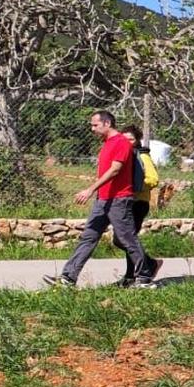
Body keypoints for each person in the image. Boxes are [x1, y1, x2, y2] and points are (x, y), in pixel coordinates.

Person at [48, 111, 154, 289]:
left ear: (107, 123)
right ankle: (68, 278)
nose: (92, 129)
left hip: (119, 200)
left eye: (95, 125)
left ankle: (144, 277)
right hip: (103, 199)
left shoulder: (120, 142)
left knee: (127, 238)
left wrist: (90, 189)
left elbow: (115, 170)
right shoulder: (107, 143)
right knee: (88, 237)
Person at [116, 124, 164, 288]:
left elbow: (153, 179)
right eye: (124, 139)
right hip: (124, 202)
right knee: (121, 240)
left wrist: (133, 184)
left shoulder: (142, 157)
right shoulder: (124, 157)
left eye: (131, 139)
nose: (127, 142)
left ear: (137, 141)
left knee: (127, 240)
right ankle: (147, 265)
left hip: (138, 203)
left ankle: (133, 275)